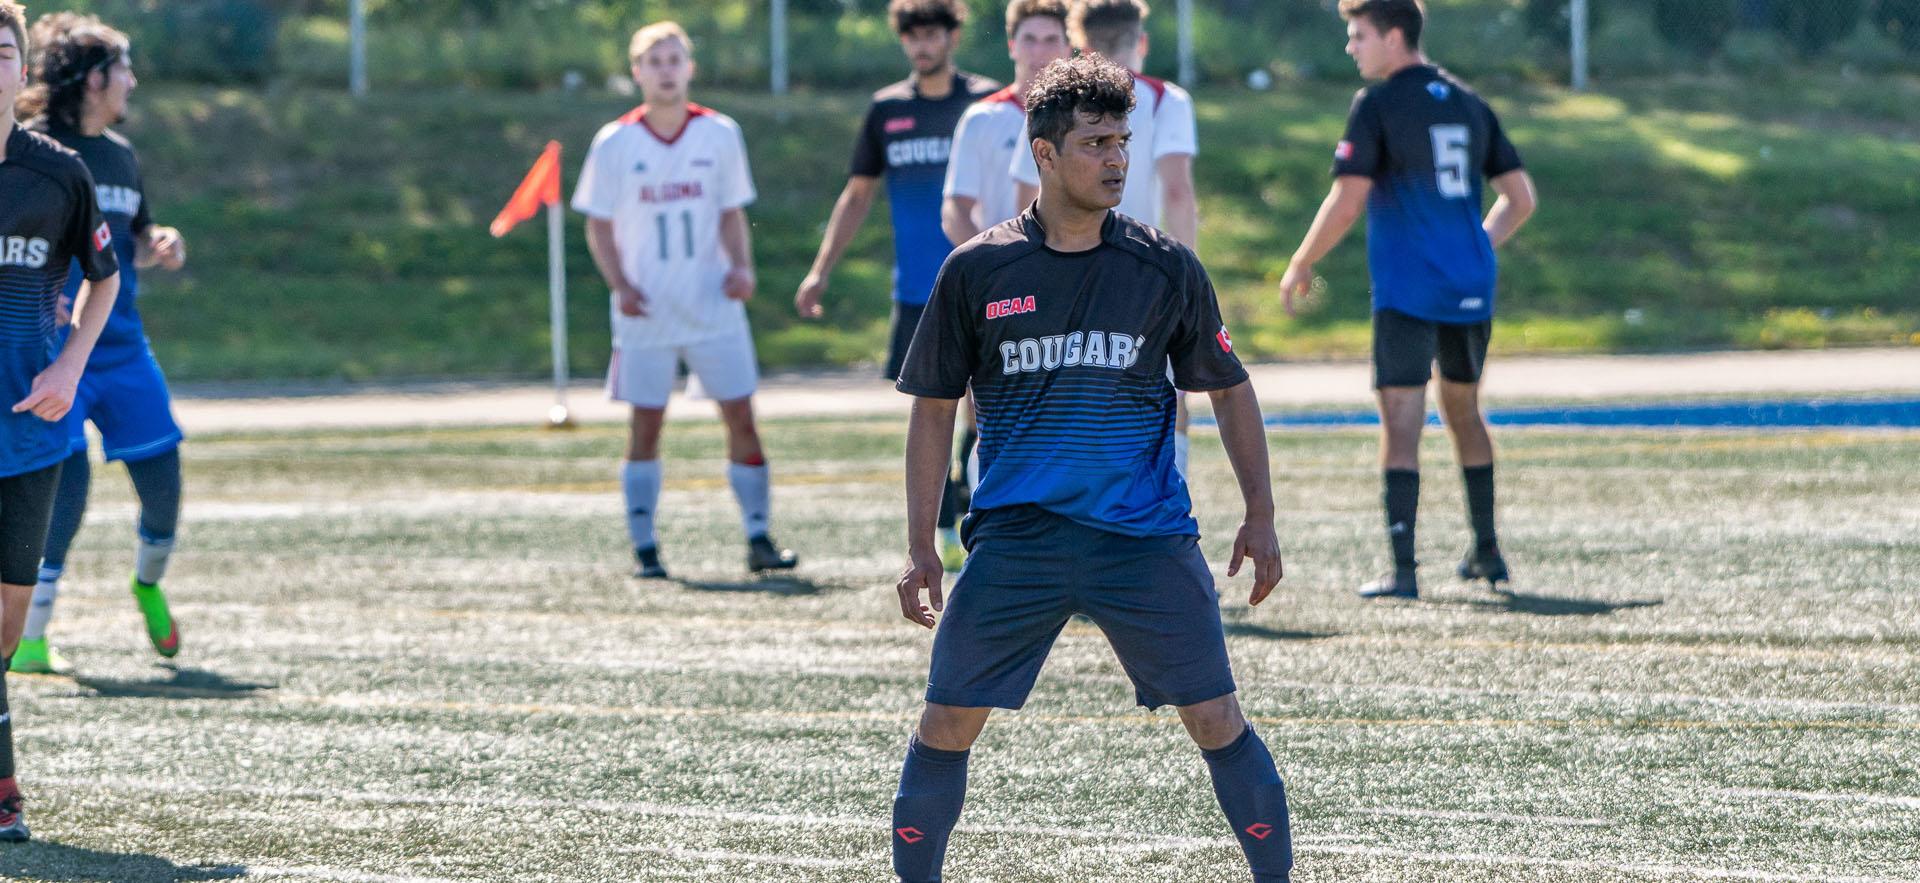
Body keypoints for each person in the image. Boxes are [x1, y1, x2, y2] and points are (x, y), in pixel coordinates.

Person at [889, 55, 1292, 883]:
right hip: (1016, 540)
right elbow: (933, 409)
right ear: (1042, 152)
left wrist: (1261, 511)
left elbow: (1228, 387)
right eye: (1095, 142)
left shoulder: (1163, 264)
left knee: (1217, 716)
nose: (1116, 159)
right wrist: (920, 545)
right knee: (946, 722)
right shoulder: (976, 270)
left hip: (1143, 538)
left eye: (1123, 141)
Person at [1277, 0, 1538, 599]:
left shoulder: (1378, 104)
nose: (1352, 48)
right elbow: (1520, 198)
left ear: (1394, 37)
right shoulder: (1471, 102)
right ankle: (1488, 551)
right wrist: (1478, 246)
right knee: (1465, 412)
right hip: (1470, 284)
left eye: (1358, 35)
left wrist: (1302, 261)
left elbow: (1347, 200)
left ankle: (1403, 570)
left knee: (1400, 419)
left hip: (1408, 288)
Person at [572, 21, 797, 579]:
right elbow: (598, 226)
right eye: (655, 61)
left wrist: (742, 267)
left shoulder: (720, 133)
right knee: (646, 423)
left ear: (690, 68)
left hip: (711, 304)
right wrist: (621, 285)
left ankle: (758, 537)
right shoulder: (615, 142)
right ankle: (646, 547)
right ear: (637, 72)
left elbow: (729, 212)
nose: (666, 70)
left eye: (675, 59)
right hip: (645, 310)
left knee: (741, 415)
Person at [794, 0, 997, 568]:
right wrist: (821, 270)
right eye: (913, 37)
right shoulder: (886, 110)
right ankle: (942, 515)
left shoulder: (985, 102)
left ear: (952, 37)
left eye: (932, 34)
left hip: (981, 286)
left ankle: (973, 509)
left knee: (986, 405)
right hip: (916, 291)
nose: (922, 46)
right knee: (932, 404)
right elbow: (856, 195)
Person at [14, 12, 186, 675]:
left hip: (122, 349)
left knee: (165, 484)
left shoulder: (120, 155)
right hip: (55, 354)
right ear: (93, 79)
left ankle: (146, 584)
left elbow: (134, 230)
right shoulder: (33, 152)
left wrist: (159, 239)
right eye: (124, 69)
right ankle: (31, 635)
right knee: (67, 486)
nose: (133, 80)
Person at [0, 0, 123, 839]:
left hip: (31, 428)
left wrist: (71, 362)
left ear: (21, 70)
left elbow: (103, 277)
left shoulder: (57, 172)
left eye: (1, 52)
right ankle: (5, 792)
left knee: (5, 625)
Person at [1011, 0, 1203, 477]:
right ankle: (1163, 498)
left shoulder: (1051, 105)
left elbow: (1025, 198)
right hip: (1144, 270)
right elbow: (1178, 193)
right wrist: (1188, 278)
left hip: (1064, 265)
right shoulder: (1166, 99)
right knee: (1165, 393)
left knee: (1064, 388)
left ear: (1079, 44)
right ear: (1141, 41)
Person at [939, 0, 1069, 245]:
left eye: (1050, 40)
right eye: (1029, 39)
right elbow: (955, 210)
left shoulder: (1083, 119)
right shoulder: (982, 118)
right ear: (1012, 46)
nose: (1039, 51)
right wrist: (990, 265)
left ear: (1067, 47)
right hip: (1003, 270)